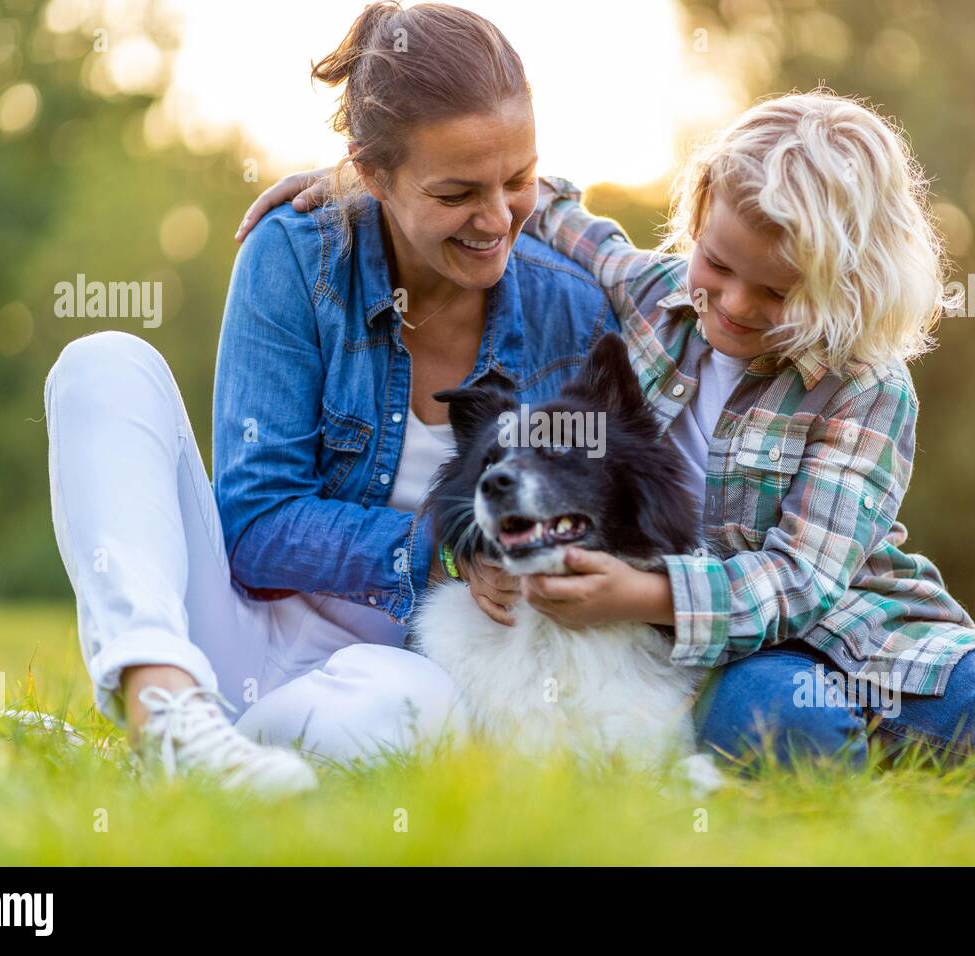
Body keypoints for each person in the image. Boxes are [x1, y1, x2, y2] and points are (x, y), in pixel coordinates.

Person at [246, 89, 975, 776]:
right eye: (717, 264)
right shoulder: (662, 297)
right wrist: (370, 192)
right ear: (694, 233)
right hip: (743, 658)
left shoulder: (866, 390)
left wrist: (644, 591)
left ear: (848, 292)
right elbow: (542, 208)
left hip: (867, 630)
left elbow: (800, 582)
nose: (733, 306)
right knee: (774, 724)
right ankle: (863, 757)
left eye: (776, 292)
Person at [44, 1, 615, 795]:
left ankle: (229, 754)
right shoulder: (297, 257)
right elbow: (253, 522)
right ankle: (166, 704)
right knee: (102, 362)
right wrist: (447, 550)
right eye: (455, 192)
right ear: (371, 173)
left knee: (413, 718)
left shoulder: (573, 309)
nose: (497, 219)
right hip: (239, 629)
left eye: (518, 180)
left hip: (405, 671)